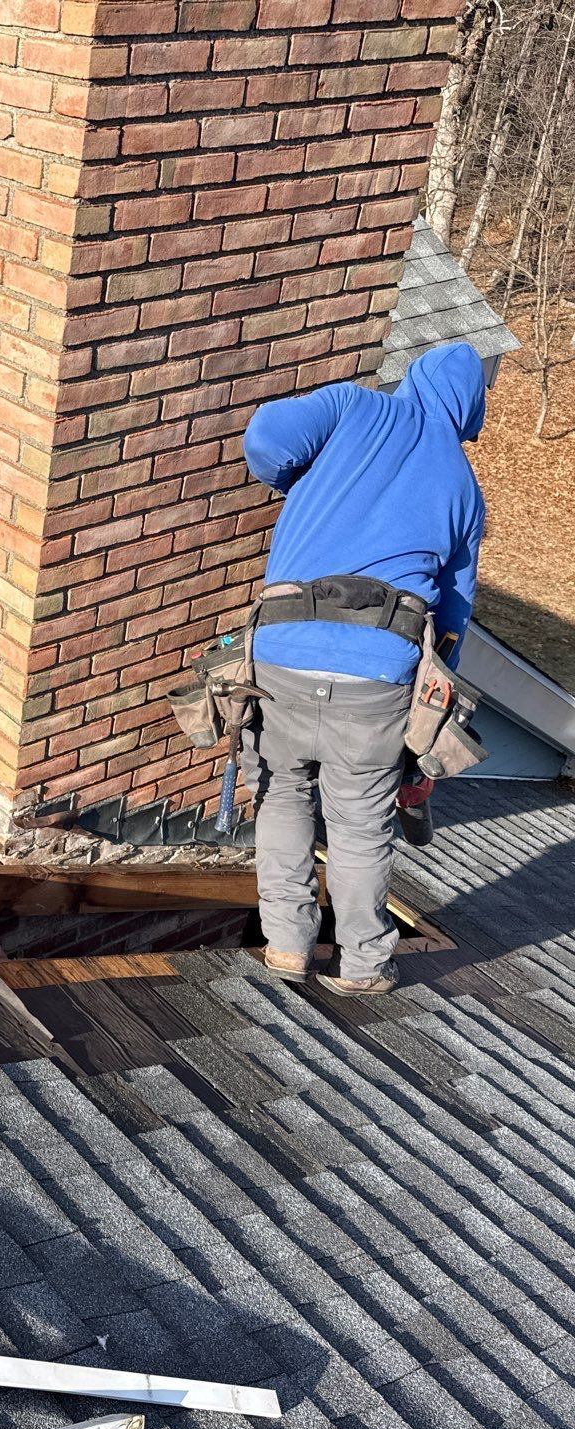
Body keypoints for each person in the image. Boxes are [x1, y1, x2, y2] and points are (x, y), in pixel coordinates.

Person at [239, 342, 487, 996]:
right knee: (358, 825)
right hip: (378, 675)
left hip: (281, 652)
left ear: (415, 382)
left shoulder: (352, 408)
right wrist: (427, 693)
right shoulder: (462, 486)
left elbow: (266, 435)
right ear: (468, 410)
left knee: (282, 794)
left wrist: (290, 480)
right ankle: (363, 967)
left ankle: (288, 947)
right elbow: (454, 616)